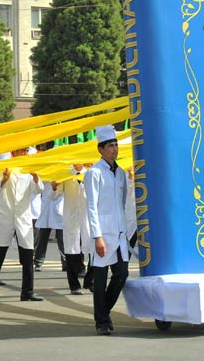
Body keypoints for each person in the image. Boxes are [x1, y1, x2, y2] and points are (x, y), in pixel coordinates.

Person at [86, 126, 136, 335]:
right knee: (100, 278)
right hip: (103, 234)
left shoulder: (122, 174)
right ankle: (102, 322)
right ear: (100, 149)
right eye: (110, 146)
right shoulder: (94, 173)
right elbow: (92, 206)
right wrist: (97, 236)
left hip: (119, 233)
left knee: (122, 274)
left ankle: (103, 312)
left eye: (116, 145)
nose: (114, 149)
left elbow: (122, 202)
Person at [0, 149, 44, 302]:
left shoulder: (28, 169)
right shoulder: (3, 166)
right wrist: (4, 180)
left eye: (27, 150)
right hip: (5, 216)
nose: (26, 153)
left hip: (23, 218)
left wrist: (35, 177)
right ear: (16, 151)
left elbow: (38, 189)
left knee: (28, 257)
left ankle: (27, 291)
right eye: (24, 150)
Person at [63, 164, 93, 294]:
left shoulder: (91, 173)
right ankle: (74, 285)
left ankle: (90, 281)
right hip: (71, 217)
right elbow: (52, 195)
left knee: (93, 250)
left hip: (88, 217)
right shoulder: (65, 174)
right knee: (71, 252)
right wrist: (53, 188)